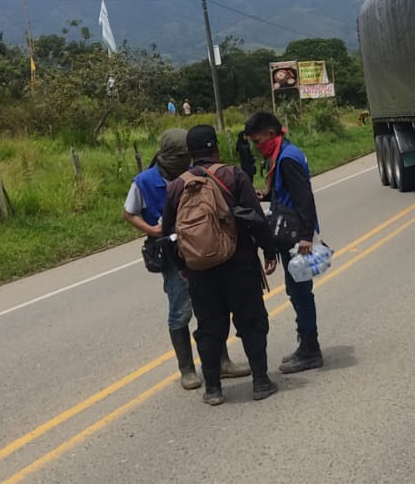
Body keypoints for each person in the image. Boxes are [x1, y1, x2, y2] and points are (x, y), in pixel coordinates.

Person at [161, 124, 278, 405]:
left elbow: (169, 233)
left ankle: (213, 388)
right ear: (215, 147)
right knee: (251, 322)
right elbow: (256, 219)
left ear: (190, 153)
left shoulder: (178, 186)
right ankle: (260, 381)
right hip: (240, 265)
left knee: (210, 328)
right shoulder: (233, 175)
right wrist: (269, 251)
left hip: (201, 272)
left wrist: (184, 266)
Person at [123, 128, 246, 390]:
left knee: (212, 306)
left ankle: (222, 362)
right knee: (180, 310)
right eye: (181, 155)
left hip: (204, 249)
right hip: (172, 254)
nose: (185, 160)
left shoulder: (196, 173)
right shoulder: (144, 182)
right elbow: (129, 212)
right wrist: (152, 229)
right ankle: (187, 369)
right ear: (168, 155)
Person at [243, 111, 324, 373]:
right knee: (296, 291)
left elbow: (304, 198)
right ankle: (305, 345)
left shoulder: (287, 158)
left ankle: (311, 349)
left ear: (270, 134)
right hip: (291, 232)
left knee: (301, 293)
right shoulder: (282, 153)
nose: (257, 147)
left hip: (295, 236)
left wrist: (305, 236)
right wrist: (266, 195)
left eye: (258, 141)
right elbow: (287, 193)